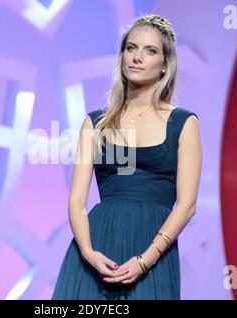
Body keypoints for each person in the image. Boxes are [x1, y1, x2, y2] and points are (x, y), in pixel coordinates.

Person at [52, 14, 202, 300]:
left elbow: (187, 204)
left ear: (165, 66)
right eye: (131, 48)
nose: (137, 57)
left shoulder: (184, 123)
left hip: (153, 255)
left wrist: (146, 259)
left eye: (150, 51)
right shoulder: (96, 123)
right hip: (95, 255)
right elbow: (76, 200)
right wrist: (87, 252)